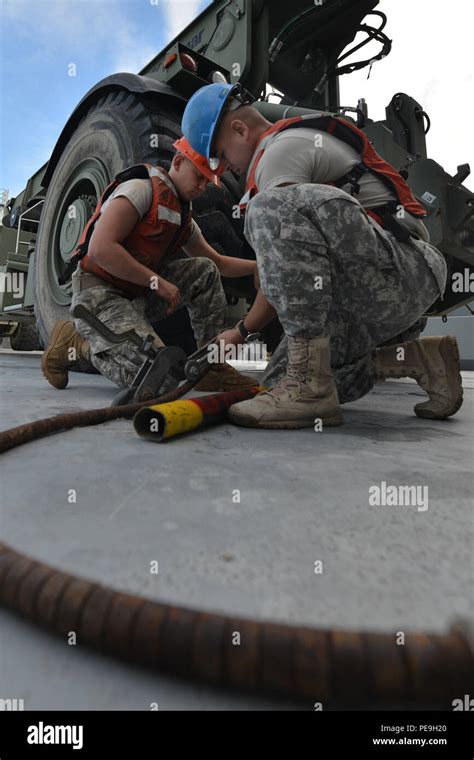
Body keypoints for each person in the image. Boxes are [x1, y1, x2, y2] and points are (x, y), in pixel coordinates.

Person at [179, 83, 463, 428]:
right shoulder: (288, 150)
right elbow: (290, 265)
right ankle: (421, 360)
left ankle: (310, 387)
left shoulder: (277, 152)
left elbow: (281, 233)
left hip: (405, 270)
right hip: (383, 290)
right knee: (278, 379)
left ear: (239, 129)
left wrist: (239, 331)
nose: (223, 168)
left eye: (220, 154)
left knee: (266, 209)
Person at [41, 137, 258, 393]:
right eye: (198, 177)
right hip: (98, 295)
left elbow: (218, 263)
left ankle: (210, 366)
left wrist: (257, 266)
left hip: (137, 296)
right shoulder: (140, 189)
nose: (201, 187)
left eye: (206, 182)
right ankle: (77, 343)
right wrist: (156, 282)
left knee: (204, 270)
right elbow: (101, 248)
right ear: (178, 161)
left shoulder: (183, 217)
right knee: (159, 380)